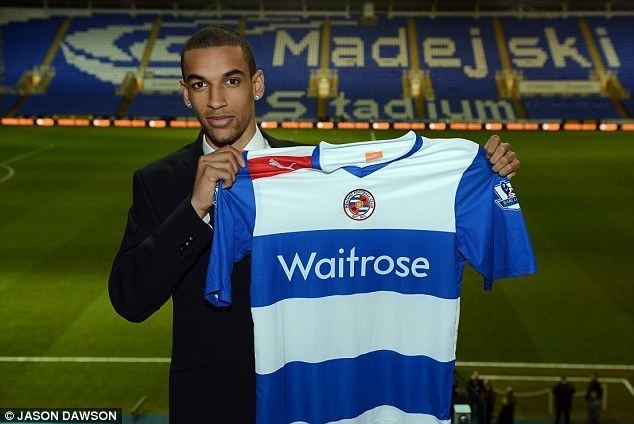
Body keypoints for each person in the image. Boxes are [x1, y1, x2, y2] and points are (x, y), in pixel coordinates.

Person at [108, 25, 523, 423]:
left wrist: (480, 175)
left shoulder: (311, 173)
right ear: (185, 93)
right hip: (215, 406)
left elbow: (378, 221)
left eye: (230, 81)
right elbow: (130, 299)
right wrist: (196, 208)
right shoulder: (159, 183)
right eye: (200, 84)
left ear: (257, 85)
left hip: (310, 399)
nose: (216, 100)